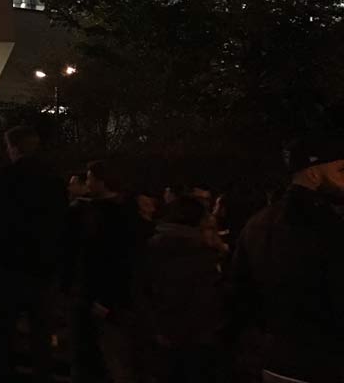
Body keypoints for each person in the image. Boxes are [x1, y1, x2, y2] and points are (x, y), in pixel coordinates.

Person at [231, 136, 344, 383]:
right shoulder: (328, 226)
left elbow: (240, 295)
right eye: (341, 170)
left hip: (276, 361)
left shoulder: (257, 223)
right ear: (313, 174)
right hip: (325, 364)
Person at [0, 125, 68, 383]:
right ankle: (42, 373)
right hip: (44, 265)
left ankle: (6, 371)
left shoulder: (5, 178)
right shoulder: (54, 180)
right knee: (41, 330)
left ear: (13, 147)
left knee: (6, 328)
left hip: (10, 264)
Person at [64, 159, 142, 383]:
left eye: (89, 178)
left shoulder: (105, 215)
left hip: (97, 295)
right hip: (96, 294)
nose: (87, 183)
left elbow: (114, 258)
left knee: (104, 357)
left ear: (101, 181)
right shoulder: (120, 212)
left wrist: (105, 298)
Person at [137, 195, 226, 382]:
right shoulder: (200, 252)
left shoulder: (153, 246)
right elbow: (209, 296)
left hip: (163, 332)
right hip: (196, 336)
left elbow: (143, 289)